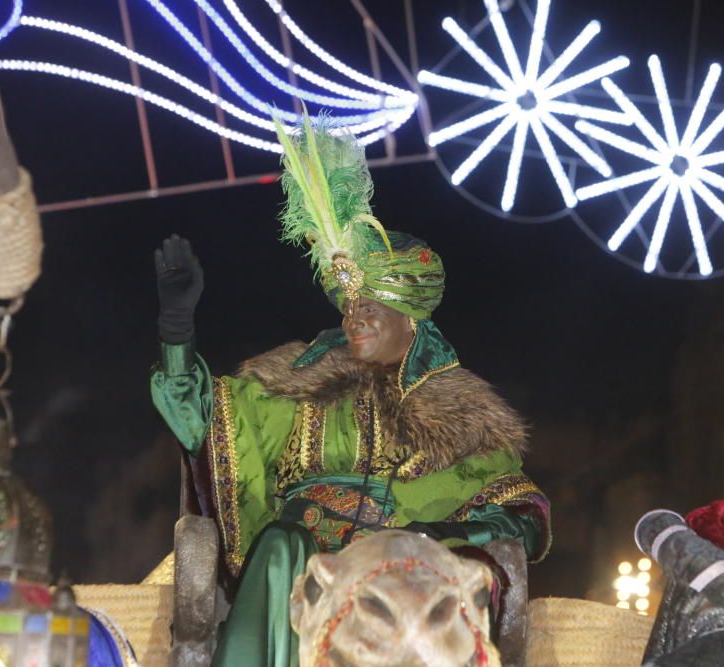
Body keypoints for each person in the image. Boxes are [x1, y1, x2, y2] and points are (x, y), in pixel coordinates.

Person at [150, 115, 549, 667]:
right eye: (349, 306)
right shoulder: (292, 384)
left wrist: (438, 533)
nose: (353, 318)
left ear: (411, 321)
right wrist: (177, 330)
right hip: (298, 567)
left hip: (404, 574)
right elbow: (194, 417)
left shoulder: (464, 415)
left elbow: (521, 515)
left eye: (370, 307)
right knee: (282, 545)